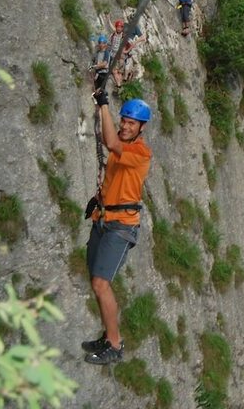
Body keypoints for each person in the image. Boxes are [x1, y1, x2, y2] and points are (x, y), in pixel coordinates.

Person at [82, 92, 152, 365]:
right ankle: (107, 334)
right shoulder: (122, 146)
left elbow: (109, 141)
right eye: (124, 121)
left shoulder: (139, 152)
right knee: (96, 283)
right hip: (104, 220)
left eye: (132, 123)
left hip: (121, 227)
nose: (125, 126)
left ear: (141, 128)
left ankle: (115, 344)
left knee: (101, 284)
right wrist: (98, 198)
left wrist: (103, 103)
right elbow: (115, 179)